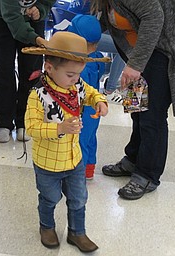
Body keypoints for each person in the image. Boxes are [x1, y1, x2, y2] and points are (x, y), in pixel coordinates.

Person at [90, 0, 175, 200]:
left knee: (152, 117)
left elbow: (154, 18)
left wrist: (135, 65)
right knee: (136, 109)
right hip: (138, 53)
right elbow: (102, 21)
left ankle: (148, 174)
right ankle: (133, 159)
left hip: (163, 51)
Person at [23, 31, 109, 252]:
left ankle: (77, 233)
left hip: (74, 160)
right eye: (70, 75)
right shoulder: (39, 95)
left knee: (79, 198)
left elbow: (90, 92)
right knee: (50, 198)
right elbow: (31, 127)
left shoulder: (76, 86)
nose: (75, 80)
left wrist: (100, 101)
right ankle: (47, 226)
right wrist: (59, 128)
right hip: (48, 163)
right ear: (49, 68)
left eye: (78, 75)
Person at [0, 0, 54, 143]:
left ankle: (24, 121)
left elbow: (48, 2)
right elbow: (12, 16)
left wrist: (40, 9)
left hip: (33, 20)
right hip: (2, 19)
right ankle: (4, 124)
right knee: (4, 72)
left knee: (32, 74)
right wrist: (36, 39)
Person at [68, 14, 106, 179]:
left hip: (82, 110)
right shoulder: (98, 57)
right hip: (95, 109)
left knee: (79, 140)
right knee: (91, 137)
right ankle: (90, 168)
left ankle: (78, 174)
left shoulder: (80, 65)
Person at [68, 0, 125, 104]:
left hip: (74, 29)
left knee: (119, 39)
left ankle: (106, 74)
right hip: (82, 36)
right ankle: (110, 90)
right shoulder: (92, 3)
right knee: (124, 47)